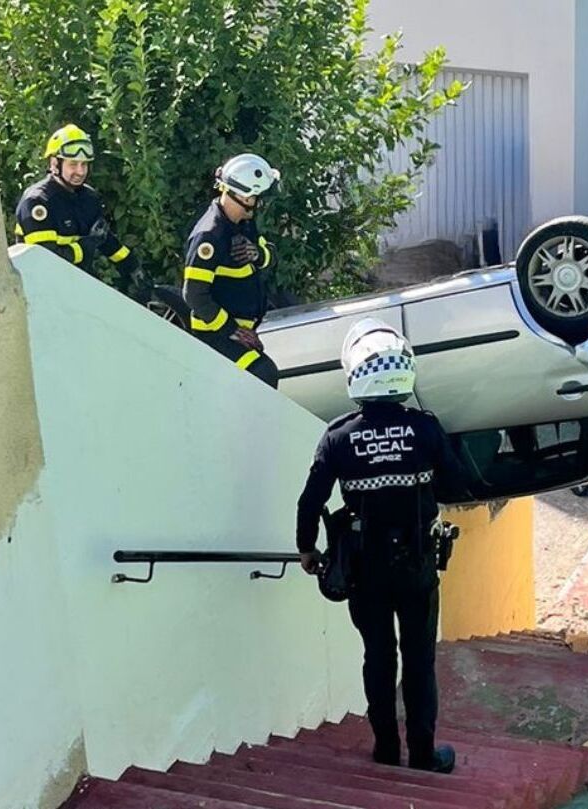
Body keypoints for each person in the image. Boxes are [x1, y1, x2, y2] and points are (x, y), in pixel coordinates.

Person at [295, 318, 469, 774]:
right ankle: (425, 754)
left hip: (365, 570)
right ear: (403, 370)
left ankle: (386, 748)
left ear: (354, 373)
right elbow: (455, 487)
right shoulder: (426, 429)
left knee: (378, 656)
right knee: (419, 661)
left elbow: (310, 500)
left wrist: (307, 550)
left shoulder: (338, 435)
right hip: (417, 566)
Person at [181, 153, 281, 387]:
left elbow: (272, 255)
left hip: (241, 329)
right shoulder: (210, 236)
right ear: (244, 195)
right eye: (257, 196)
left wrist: (257, 254)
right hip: (214, 334)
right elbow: (194, 295)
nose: (260, 202)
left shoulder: (244, 222)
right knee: (263, 374)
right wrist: (233, 330)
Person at [14, 124, 135, 281]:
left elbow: (104, 239)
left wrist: (132, 267)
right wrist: (84, 249)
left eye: (84, 164)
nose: (80, 171)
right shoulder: (37, 201)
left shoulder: (89, 198)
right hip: (39, 290)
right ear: (54, 164)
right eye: (73, 164)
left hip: (77, 285)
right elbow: (45, 260)